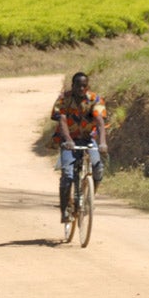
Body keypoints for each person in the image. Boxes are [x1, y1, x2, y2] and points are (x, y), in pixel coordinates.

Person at [50, 72, 108, 223]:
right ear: (72, 85)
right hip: (69, 141)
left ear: (87, 86)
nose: (81, 88)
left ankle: (90, 198)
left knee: (98, 167)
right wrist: (68, 140)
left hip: (88, 139)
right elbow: (61, 120)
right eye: (78, 85)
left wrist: (102, 143)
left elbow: (100, 121)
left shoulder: (95, 99)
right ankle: (64, 211)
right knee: (67, 176)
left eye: (84, 86)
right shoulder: (64, 99)